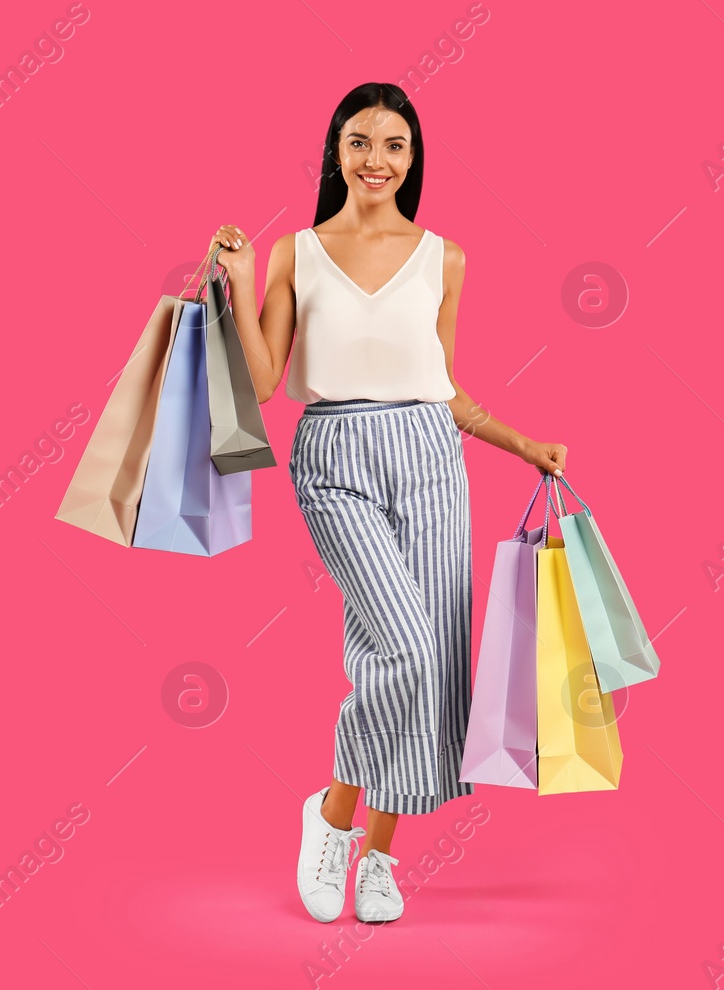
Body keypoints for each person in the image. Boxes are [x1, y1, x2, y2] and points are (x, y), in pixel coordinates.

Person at [209, 82, 567, 925]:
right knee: (404, 643)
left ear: (415, 158)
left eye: (396, 145)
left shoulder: (445, 257)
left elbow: (443, 391)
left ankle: (378, 857)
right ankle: (332, 815)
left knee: (431, 659)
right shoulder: (298, 251)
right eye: (361, 142)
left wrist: (524, 445)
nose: (378, 160)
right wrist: (243, 275)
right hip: (334, 455)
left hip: (433, 462)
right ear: (335, 150)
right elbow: (264, 384)